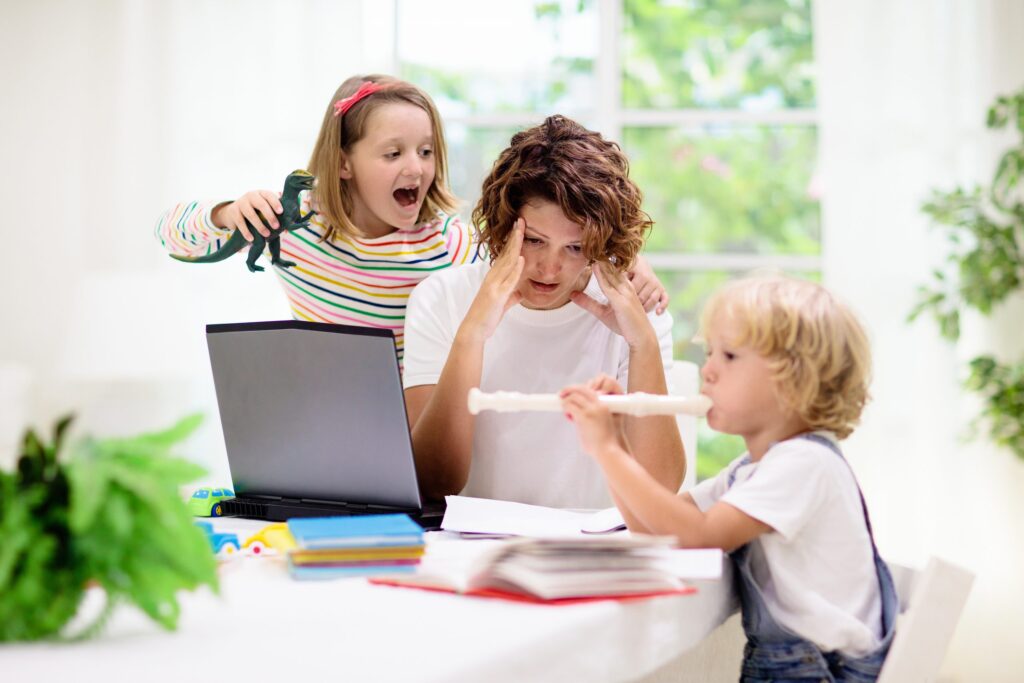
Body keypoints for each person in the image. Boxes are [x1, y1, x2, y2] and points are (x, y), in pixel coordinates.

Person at [155, 75, 667, 364]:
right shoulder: (293, 228)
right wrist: (227, 213)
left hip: (415, 427)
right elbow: (171, 234)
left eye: (425, 151)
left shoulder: (450, 242)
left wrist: (628, 259)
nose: (416, 167)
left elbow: (549, 241)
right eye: (393, 153)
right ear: (344, 162)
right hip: (329, 417)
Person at [560, 275, 897, 682]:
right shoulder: (752, 470)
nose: (709, 370)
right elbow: (651, 529)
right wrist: (614, 441)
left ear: (796, 379)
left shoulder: (804, 464)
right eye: (711, 352)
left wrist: (608, 452)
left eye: (731, 357)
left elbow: (701, 535)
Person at [403, 115, 685, 509]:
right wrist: (472, 336)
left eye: (575, 247)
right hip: (472, 549)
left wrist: (642, 343)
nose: (550, 269)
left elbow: (660, 488)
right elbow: (435, 480)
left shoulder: (633, 309)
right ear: (503, 226)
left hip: (593, 546)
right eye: (534, 240)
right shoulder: (441, 299)